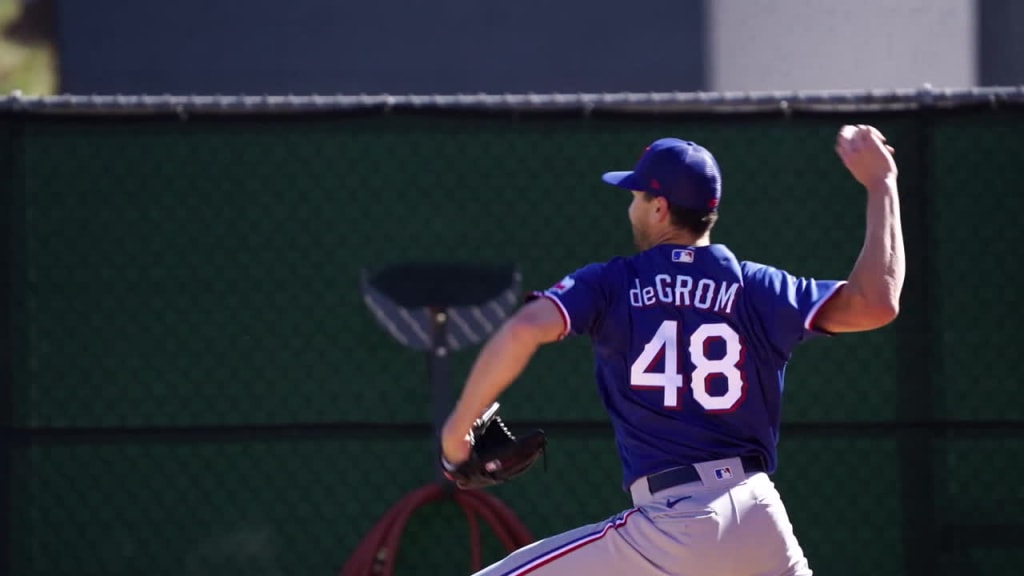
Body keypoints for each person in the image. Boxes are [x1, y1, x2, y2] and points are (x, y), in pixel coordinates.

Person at [440, 124, 904, 576]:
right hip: (758, 512)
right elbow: (875, 303)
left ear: (659, 208)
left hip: (673, 523)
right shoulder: (755, 287)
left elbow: (523, 330)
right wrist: (882, 184)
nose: (631, 207)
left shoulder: (612, 282)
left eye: (637, 197)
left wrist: (456, 433)